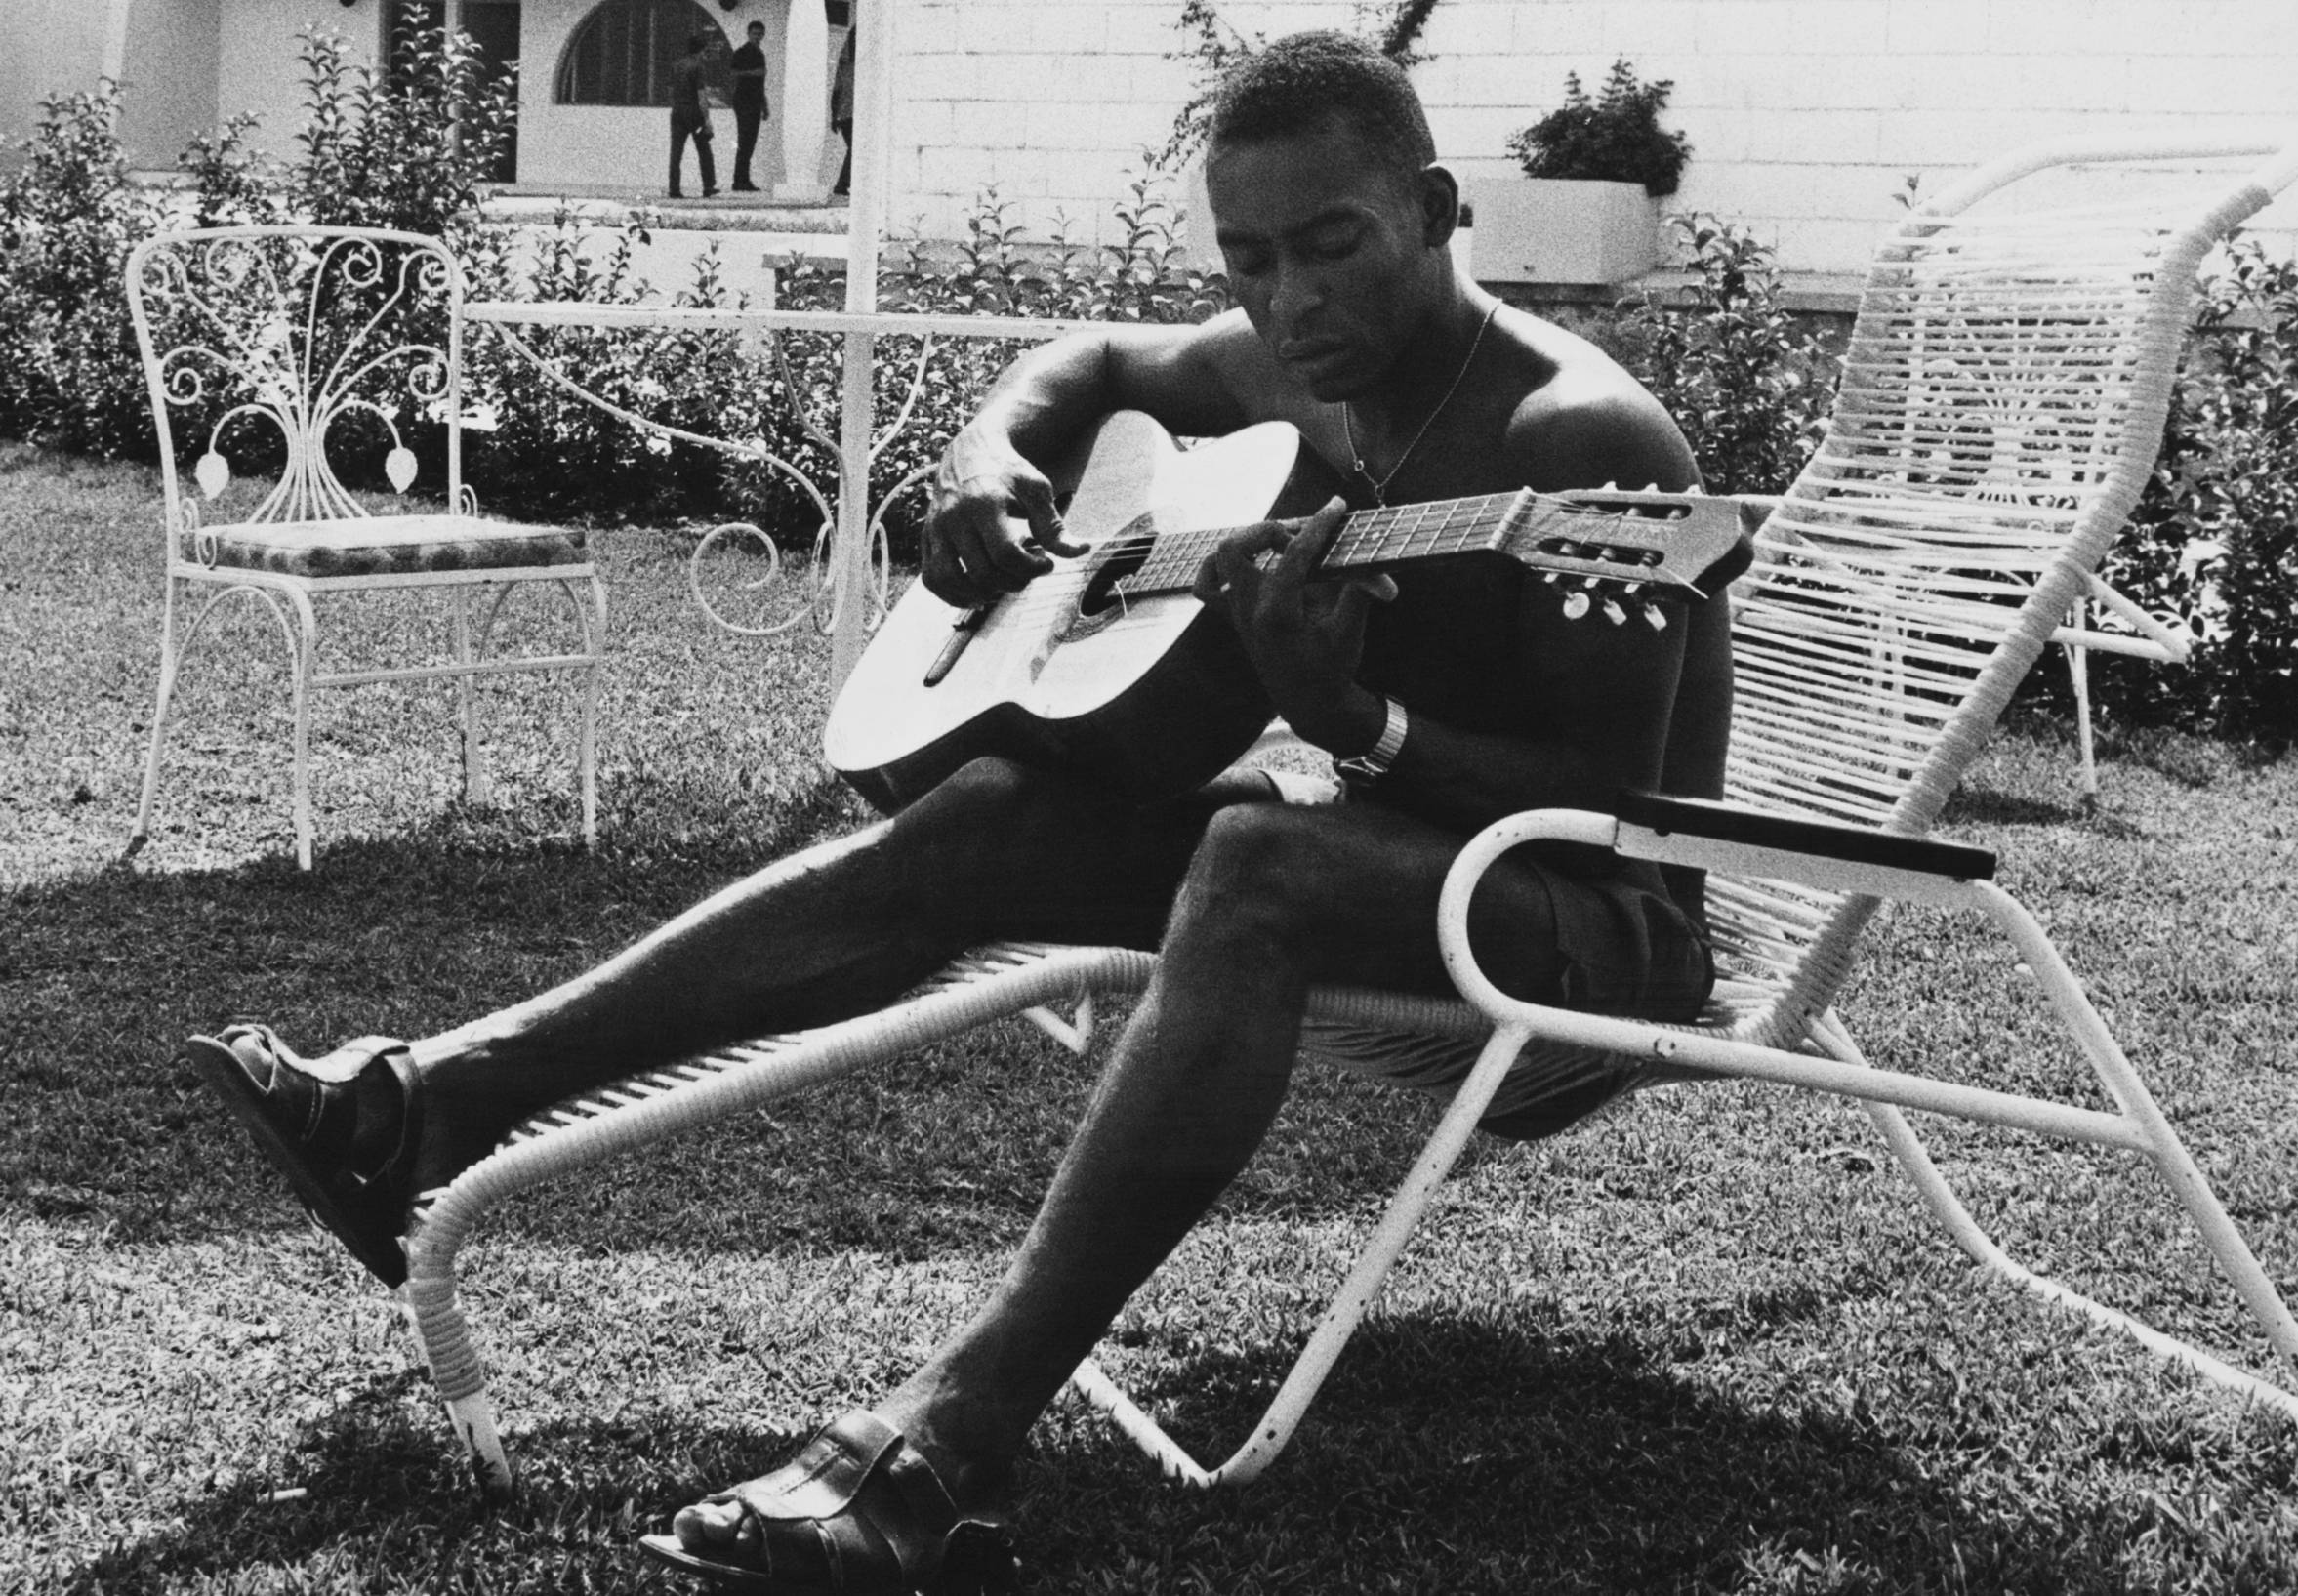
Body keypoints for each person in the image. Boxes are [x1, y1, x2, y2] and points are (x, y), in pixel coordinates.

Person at [185, 31, 1732, 1595]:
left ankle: (951, 1435)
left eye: (1332, 246)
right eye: (1251, 259)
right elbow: (1094, 369)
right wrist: (991, 462)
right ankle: (424, 1105)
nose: (1288, 299)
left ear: (1438, 207)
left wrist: (1357, 719)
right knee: (997, 807)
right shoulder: (1305, 374)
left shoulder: (1572, 444)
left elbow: (1619, 807)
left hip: (1600, 931)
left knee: (1259, 849)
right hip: (1404, 858)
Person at [668, 30, 718, 200]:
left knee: (676, 152)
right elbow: (701, 96)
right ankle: (708, 186)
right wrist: (707, 120)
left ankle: (674, 188)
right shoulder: (698, 67)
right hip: (694, 114)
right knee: (704, 149)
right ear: (701, 50)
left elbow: (670, 89)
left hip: (677, 112)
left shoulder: (677, 65)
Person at [728, 19, 769, 193]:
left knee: (749, 142)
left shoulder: (760, 54)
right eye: (754, 34)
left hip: (755, 101)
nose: (757, 37)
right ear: (748, 34)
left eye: (760, 35)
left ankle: (744, 179)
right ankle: (739, 180)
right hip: (743, 101)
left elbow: (761, 83)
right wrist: (752, 73)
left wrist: (765, 106)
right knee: (744, 141)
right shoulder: (741, 52)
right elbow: (733, 73)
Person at [830, 23, 857, 197]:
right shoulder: (846, 66)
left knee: (855, 149)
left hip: (847, 113)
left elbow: (836, 91)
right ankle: (841, 184)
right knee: (855, 149)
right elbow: (836, 91)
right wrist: (833, 116)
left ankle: (843, 184)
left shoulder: (846, 64)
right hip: (848, 113)